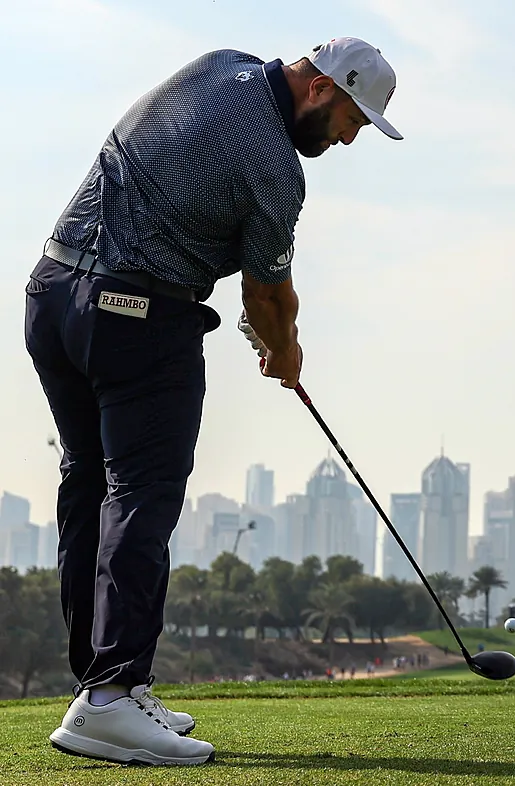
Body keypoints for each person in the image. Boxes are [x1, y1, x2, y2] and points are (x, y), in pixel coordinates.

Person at [24, 37, 402, 766]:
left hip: (53, 297)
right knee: (143, 493)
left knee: (91, 482)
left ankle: (106, 687)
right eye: (354, 119)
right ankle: (109, 695)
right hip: (135, 315)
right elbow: (266, 293)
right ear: (322, 88)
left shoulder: (215, 65)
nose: (351, 139)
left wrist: (265, 327)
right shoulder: (276, 168)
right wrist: (283, 352)